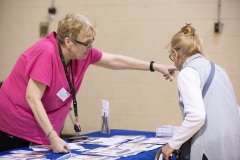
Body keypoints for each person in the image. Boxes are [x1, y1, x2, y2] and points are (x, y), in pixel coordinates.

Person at [0, 13, 176, 153]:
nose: (91, 47)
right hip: (15, 127)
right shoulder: (46, 53)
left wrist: (154, 66)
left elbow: (114, 61)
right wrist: (53, 137)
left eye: (92, 41)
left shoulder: (82, 54)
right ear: (68, 42)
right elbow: (32, 97)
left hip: (44, 129)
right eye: (86, 43)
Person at [161, 24, 240, 160]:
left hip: (208, 149)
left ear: (175, 54)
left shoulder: (188, 73)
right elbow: (236, 110)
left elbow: (196, 116)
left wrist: (171, 144)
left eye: (171, 57)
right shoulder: (220, 70)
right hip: (231, 146)